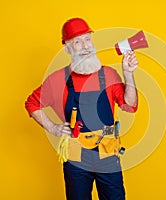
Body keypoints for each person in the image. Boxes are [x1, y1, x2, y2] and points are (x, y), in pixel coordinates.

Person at [25, 17, 138, 200]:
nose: (85, 46)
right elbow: (31, 103)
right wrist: (52, 127)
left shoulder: (109, 75)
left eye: (87, 39)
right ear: (67, 48)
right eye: (77, 42)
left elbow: (130, 106)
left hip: (107, 152)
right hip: (76, 158)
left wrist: (128, 74)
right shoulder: (58, 79)